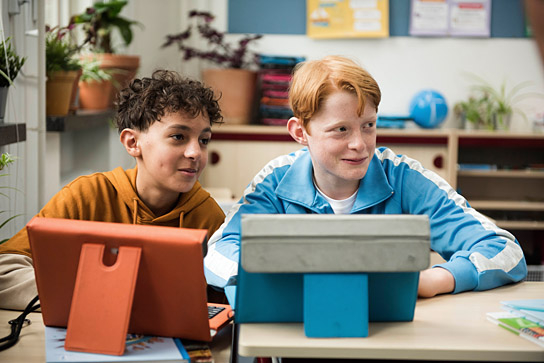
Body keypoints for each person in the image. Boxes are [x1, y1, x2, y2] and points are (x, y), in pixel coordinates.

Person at [204, 55, 527, 302]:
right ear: (300, 132)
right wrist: (272, 281)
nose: (360, 144)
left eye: (368, 125)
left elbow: (505, 251)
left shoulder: (404, 178)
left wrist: (433, 280)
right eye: (341, 129)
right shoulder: (276, 181)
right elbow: (219, 252)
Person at [0, 70, 226, 310]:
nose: (195, 153)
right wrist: (91, 296)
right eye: (178, 136)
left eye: (203, 140)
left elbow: (224, 305)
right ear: (132, 143)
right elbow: (5, 268)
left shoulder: (209, 218)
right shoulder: (85, 196)